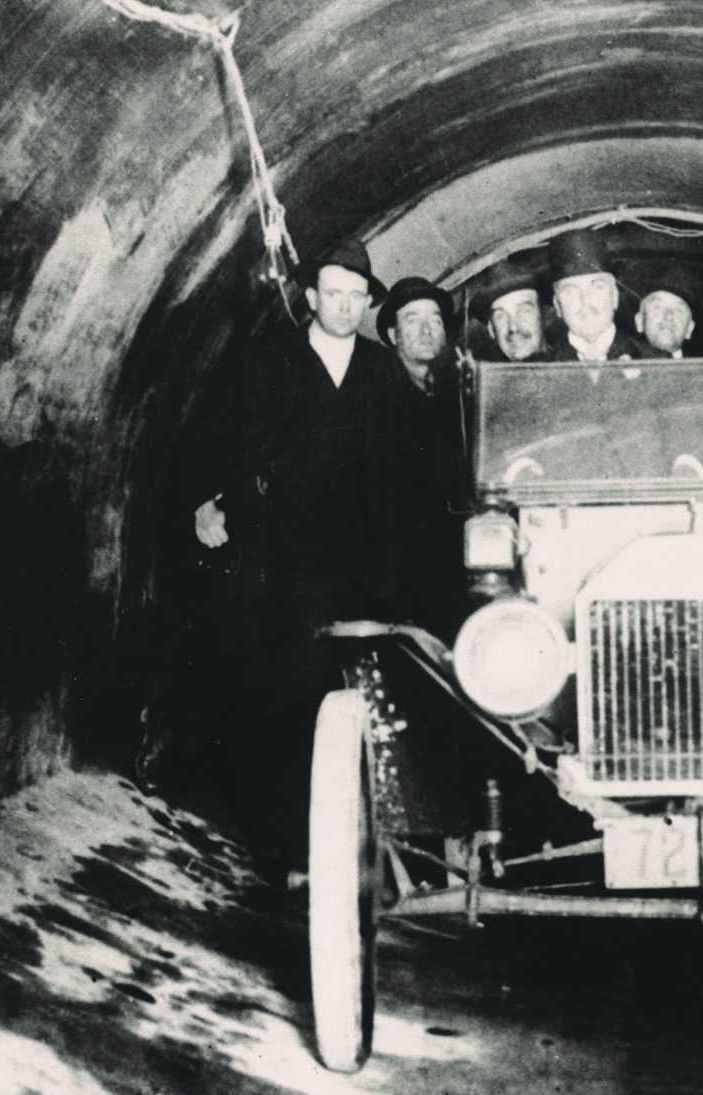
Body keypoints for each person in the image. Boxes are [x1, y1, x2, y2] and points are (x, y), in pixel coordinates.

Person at [177, 238, 390, 873]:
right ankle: (272, 836)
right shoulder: (268, 358)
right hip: (269, 552)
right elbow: (214, 433)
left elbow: (401, 472)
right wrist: (204, 502)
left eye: (357, 297)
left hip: (346, 561)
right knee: (262, 688)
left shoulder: (379, 372)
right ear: (311, 297)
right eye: (335, 295)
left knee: (326, 689)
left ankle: (317, 839)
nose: (346, 307)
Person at [371, 276, 469, 638]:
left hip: (452, 573)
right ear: (394, 336)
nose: (427, 329)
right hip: (404, 584)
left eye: (436, 320)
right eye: (412, 319)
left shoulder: (451, 393)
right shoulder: (377, 399)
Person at [546, 229, 650, 362]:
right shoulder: (537, 371)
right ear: (557, 305)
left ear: (614, 296)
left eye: (597, 287)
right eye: (571, 291)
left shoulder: (658, 362)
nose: (585, 301)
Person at [471, 258, 548, 363]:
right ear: (491, 330)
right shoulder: (486, 378)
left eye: (524, 311)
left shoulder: (575, 365)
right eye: (501, 317)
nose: (513, 327)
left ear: (543, 315)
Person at [634, 270, 698, 357]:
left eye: (679, 311)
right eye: (658, 307)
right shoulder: (618, 364)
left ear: (689, 329)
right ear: (639, 321)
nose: (669, 316)